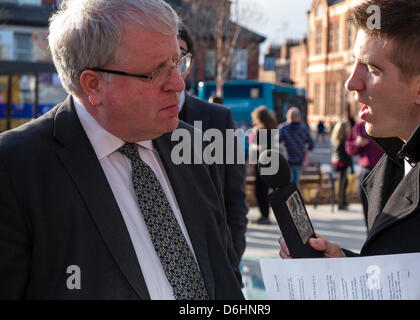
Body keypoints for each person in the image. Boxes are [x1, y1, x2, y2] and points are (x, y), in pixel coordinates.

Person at [0, 0, 244, 300]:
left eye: (177, 62)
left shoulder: (195, 145)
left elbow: (222, 273)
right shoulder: (15, 167)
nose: (179, 84)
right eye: (155, 73)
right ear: (93, 85)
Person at [279, 0, 420, 299]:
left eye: (372, 69)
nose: (351, 83)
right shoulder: (395, 161)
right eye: (355, 63)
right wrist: (348, 267)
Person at [177, 24, 248, 264]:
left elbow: (234, 197)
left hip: (212, 263)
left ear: (189, 63)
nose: (171, 65)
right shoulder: (132, 121)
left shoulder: (218, 118)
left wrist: (232, 258)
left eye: (178, 55)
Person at [345, 120, 383, 224]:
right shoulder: (360, 127)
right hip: (366, 172)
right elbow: (349, 149)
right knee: (367, 207)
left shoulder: (386, 123)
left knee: (383, 207)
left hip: (384, 171)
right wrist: (358, 143)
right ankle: (370, 233)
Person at [249, 106, 278, 225]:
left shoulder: (259, 130)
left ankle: (265, 216)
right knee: (264, 190)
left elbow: (257, 147)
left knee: (260, 190)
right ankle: (264, 215)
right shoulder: (271, 129)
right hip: (270, 162)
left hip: (261, 163)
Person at [279, 107, 314, 186]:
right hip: (300, 159)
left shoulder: (283, 128)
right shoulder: (303, 128)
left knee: (287, 184)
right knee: (295, 184)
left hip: (287, 160)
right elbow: (311, 144)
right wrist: (306, 158)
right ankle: (294, 197)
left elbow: (275, 143)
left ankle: (289, 197)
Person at [330, 121, 352, 210]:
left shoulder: (335, 138)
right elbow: (347, 154)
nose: (349, 129)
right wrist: (351, 166)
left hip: (336, 162)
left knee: (344, 182)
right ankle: (340, 203)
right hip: (342, 162)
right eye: (347, 127)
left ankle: (343, 201)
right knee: (342, 183)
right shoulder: (344, 140)